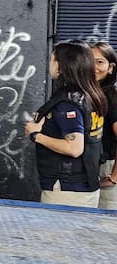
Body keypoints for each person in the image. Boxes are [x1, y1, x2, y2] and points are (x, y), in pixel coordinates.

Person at [25, 39, 107, 208]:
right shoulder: (91, 95)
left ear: (61, 66)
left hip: (66, 189)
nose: (50, 64)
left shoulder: (68, 103)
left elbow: (74, 148)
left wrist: (36, 135)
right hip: (86, 184)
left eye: (52, 59)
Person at [91, 41, 117, 208]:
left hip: (107, 167)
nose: (93, 67)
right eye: (89, 61)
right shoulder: (89, 95)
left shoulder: (112, 97)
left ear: (111, 68)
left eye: (99, 62)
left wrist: (114, 176)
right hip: (89, 167)